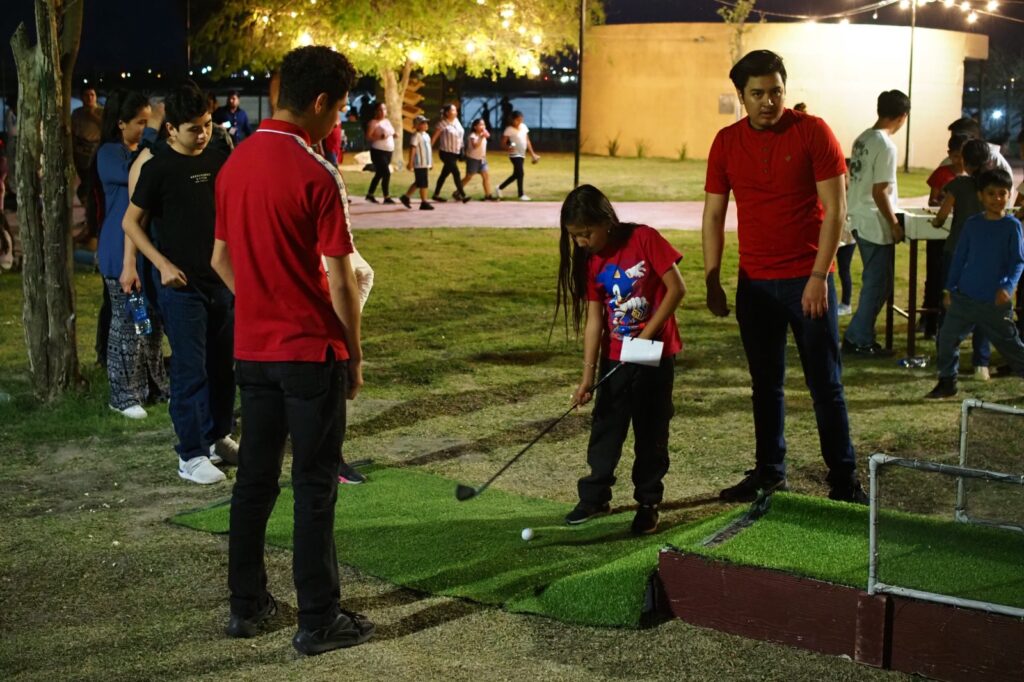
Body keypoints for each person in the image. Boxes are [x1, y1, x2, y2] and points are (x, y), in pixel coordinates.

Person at [211, 44, 374, 654]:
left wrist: (261, 300)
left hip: (253, 351)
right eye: (340, 109)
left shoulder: (234, 163)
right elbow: (340, 278)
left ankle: (245, 605)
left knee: (253, 480)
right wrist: (353, 353)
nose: (340, 121)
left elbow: (220, 260)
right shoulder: (316, 170)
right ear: (321, 102)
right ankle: (318, 617)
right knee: (313, 483)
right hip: (310, 354)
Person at [702, 50, 866, 504]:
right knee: (765, 384)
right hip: (754, 284)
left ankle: (844, 480)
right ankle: (770, 471)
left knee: (825, 384)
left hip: (808, 281)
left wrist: (819, 276)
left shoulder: (813, 132)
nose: (769, 102)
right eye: (757, 94)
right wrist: (712, 277)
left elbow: (836, 210)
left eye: (776, 91)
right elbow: (714, 213)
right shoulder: (726, 142)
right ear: (741, 96)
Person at [121, 81, 237, 485]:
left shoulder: (221, 154)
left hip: (221, 282)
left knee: (224, 367)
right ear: (171, 129)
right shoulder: (157, 167)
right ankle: (189, 455)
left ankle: (216, 436)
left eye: (207, 124)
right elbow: (130, 223)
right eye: (194, 128)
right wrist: (160, 264)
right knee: (190, 371)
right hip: (181, 287)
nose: (203, 133)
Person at [554, 185, 685, 535]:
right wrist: (587, 376)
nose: (581, 242)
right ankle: (595, 497)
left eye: (586, 233)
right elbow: (595, 319)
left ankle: (647, 502)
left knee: (651, 430)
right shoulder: (591, 261)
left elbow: (677, 289)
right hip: (616, 356)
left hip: (654, 353)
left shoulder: (644, 239)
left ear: (606, 221)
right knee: (606, 429)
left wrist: (645, 336)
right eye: (575, 236)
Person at [96, 91, 169, 419]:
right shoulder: (110, 154)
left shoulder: (145, 152)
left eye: (147, 121)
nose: (144, 127)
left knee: (148, 325)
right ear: (120, 123)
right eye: (139, 122)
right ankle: (123, 395)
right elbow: (134, 172)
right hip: (119, 252)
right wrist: (153, 133)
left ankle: (152, 386)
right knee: (127, 323)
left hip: (146, 253)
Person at [926, 168, 1024, 398]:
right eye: (991, 194)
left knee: (1011, 347)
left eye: (1002, 193)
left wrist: (1008, 287)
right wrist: (949, 289)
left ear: (1009, 195)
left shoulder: (1012, 226)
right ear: (981, 195)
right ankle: (947, 381)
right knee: (947, 338)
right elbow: (959, 258)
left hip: (994, 302)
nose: (997, 199)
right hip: (964, 299)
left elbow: (1018, 262)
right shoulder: (972, 224)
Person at [841, 90, 911, 357]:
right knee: (877, 284)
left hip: (859, 217)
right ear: (902, 117)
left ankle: (861, 337)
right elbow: (880, 191)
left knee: (877, 282)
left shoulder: (863, 138)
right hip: (874, 221)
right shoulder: (886, 145)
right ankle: (858, 339)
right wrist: (894, 223)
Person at [931, 138, 996, 380]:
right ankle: (981, 363)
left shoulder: (958, 184)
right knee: (984, 307)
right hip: (988, 253)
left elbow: (942, 215)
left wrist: (937, 223)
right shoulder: (995, 185)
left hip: (957, 250)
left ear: (966, 162)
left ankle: (946, 359)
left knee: (951, 305)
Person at [920, 133, 970, 338]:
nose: (959, 161)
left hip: (961, 237)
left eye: (962, 156)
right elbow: (933, 200)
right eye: (955, 156)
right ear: (949, 154)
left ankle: (957, 326)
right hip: (940, 235)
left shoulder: (973, 177)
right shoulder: (942, 173)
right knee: (935, 278)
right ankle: (930, 325)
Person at [71, 86, 104, 207]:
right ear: (82, 98)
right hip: (81, 150)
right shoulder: (77, 113)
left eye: (92, 95)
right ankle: (87, 205)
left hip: (96, 148)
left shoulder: (101, 112)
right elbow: (73, 132)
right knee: (85, 178)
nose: (89, 98)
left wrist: (92, 115)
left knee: (93, 179)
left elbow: (106, 127)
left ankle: (90, 205)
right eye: (86, 95)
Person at [431, 103, 469, 203]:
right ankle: (462, 195)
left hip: (455, 153)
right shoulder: (442, 124)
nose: (455, 112)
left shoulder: (457, 121)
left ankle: (436, 194)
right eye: (453, 110)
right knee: (456, 173)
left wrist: (462, 149)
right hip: (446, 153)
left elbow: (460, 136)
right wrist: (428, 151)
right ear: (447, 113)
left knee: (444, 174)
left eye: (456, 110)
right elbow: (434, 138)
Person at [498, 111, 539, 201]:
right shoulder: (509, 129)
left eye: (521, 120)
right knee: (520, 173)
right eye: (517, 120)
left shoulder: (524, 127)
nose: (519, 122)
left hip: (522, 154)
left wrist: (533, 154)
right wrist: (507, 147)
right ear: (513, 120)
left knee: (516, 174)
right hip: (514, 154)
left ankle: (500, 187)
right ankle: (521, 194)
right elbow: (502, 143)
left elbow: (527, 141)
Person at [399, 115, 434, 210]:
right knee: (423, 183)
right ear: (417, 126)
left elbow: (429, 149)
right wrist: (410, 162)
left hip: (425, 163)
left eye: (426, 123)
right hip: (419, 163)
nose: (426, 125)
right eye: (423, 123)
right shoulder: (416, 136)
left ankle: (406, 197)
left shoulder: (427, 136)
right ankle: (424, 202)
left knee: (419, 182)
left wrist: (431, 162)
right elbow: (413, 149)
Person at [364, 102, 396, 204]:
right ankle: (386, 197)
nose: (383, 112)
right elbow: (368, 137)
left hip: (388, 152)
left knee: (379, 174)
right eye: (380, 110)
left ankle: (370, 194)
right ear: (376, 111)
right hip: (378, 152)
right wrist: (379, 137)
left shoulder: (387, 121)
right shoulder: (373, 123)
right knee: (386, 173)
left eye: (384, 109)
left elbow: (391, 133)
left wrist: (395, 135)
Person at [462, 118, 497, 201]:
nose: (483, 126)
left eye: (484, 124)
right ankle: (457, 192)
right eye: (480, 125)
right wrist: (481, 136)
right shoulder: (472, 135)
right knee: (468, 177)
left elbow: (489, 138)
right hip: (473, 159)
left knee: (486, 177)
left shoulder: (483, 134)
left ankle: (488, 195)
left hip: (482, 160)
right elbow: (475, 145)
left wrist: (484, 135)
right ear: (475, 127)